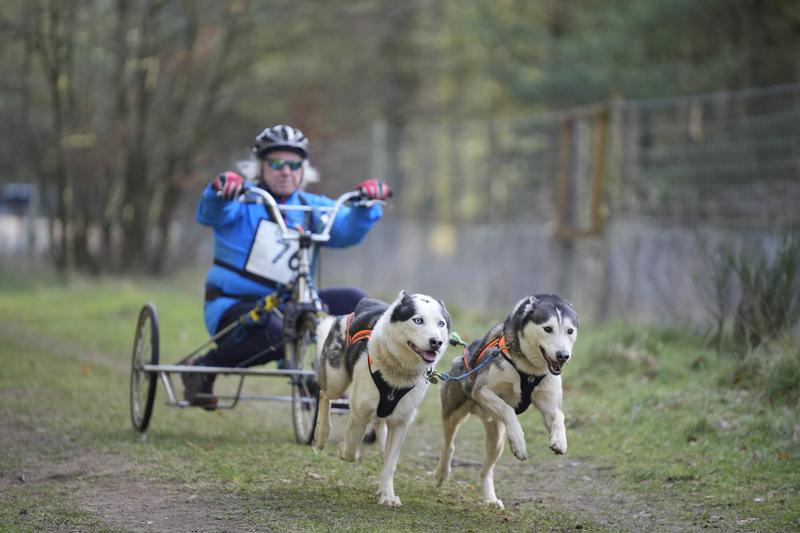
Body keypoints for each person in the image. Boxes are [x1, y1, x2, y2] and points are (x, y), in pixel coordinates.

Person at [182, 124, 392, 409]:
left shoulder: (310, 207)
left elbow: (344, 230)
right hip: (234, 307)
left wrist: (364, 207)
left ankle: (331, 380)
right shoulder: (241, 200)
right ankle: (202, 366)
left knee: (360, 304)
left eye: (294, 164)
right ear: (259, 167)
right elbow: (211, 212)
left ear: (303, 169)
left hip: (294, 305)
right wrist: (220, 190)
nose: (285, 171)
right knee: (280, 331)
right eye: (276, 163)